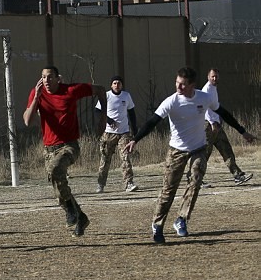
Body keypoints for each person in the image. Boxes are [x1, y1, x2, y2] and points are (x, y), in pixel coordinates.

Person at [124, 67, 256, 244]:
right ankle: (157, 224)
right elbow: (152, 122)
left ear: (192, 85)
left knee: (195, 181)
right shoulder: (171, 102)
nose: (179, 87)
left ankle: (181, 219)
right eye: (177, 83)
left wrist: (243, 131)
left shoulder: (204, 97)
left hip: (198, 148)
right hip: (176, 151)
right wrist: (135, 139)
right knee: (168, 190)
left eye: (183, 85)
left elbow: (224, 113)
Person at [23, 66, 107, 237]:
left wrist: (103, 116)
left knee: (56, 169)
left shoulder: (71, 90)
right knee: (59, 191)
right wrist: (36, 99)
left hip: (69, 146)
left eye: (50, 77)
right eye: (43, 77)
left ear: (58, 78)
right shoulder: (37, 93)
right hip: (49, 149)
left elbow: (100, 89)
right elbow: (27, 121)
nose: (46, 80)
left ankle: (71, 211)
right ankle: (80, 216)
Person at [192, 68, 253, 186]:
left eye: (216, 76)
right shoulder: (207, 89)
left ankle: (237, 175)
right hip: (208, 126)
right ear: (208, 77)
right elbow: (205, 109)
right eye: (212, 76)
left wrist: (217, 121)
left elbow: (215, 108)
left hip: (216, 125)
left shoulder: (213, 89)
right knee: (204, 154)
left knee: (226, 150)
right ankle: (195, 178)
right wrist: (212, 123)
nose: (214, 78)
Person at [95, 76, 139, 193]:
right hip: (109, 133)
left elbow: (132, 113)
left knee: (125, 158)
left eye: (119, 83)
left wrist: (135, 131)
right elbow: (98, 111)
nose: (116, 85)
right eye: (114, 83)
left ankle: (129, 183)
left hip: (124, 133)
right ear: (111, 85)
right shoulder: (106, 96)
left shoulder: (126, 96)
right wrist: (109, 120)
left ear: (122, 85)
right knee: (105, 159)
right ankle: (101, 184)